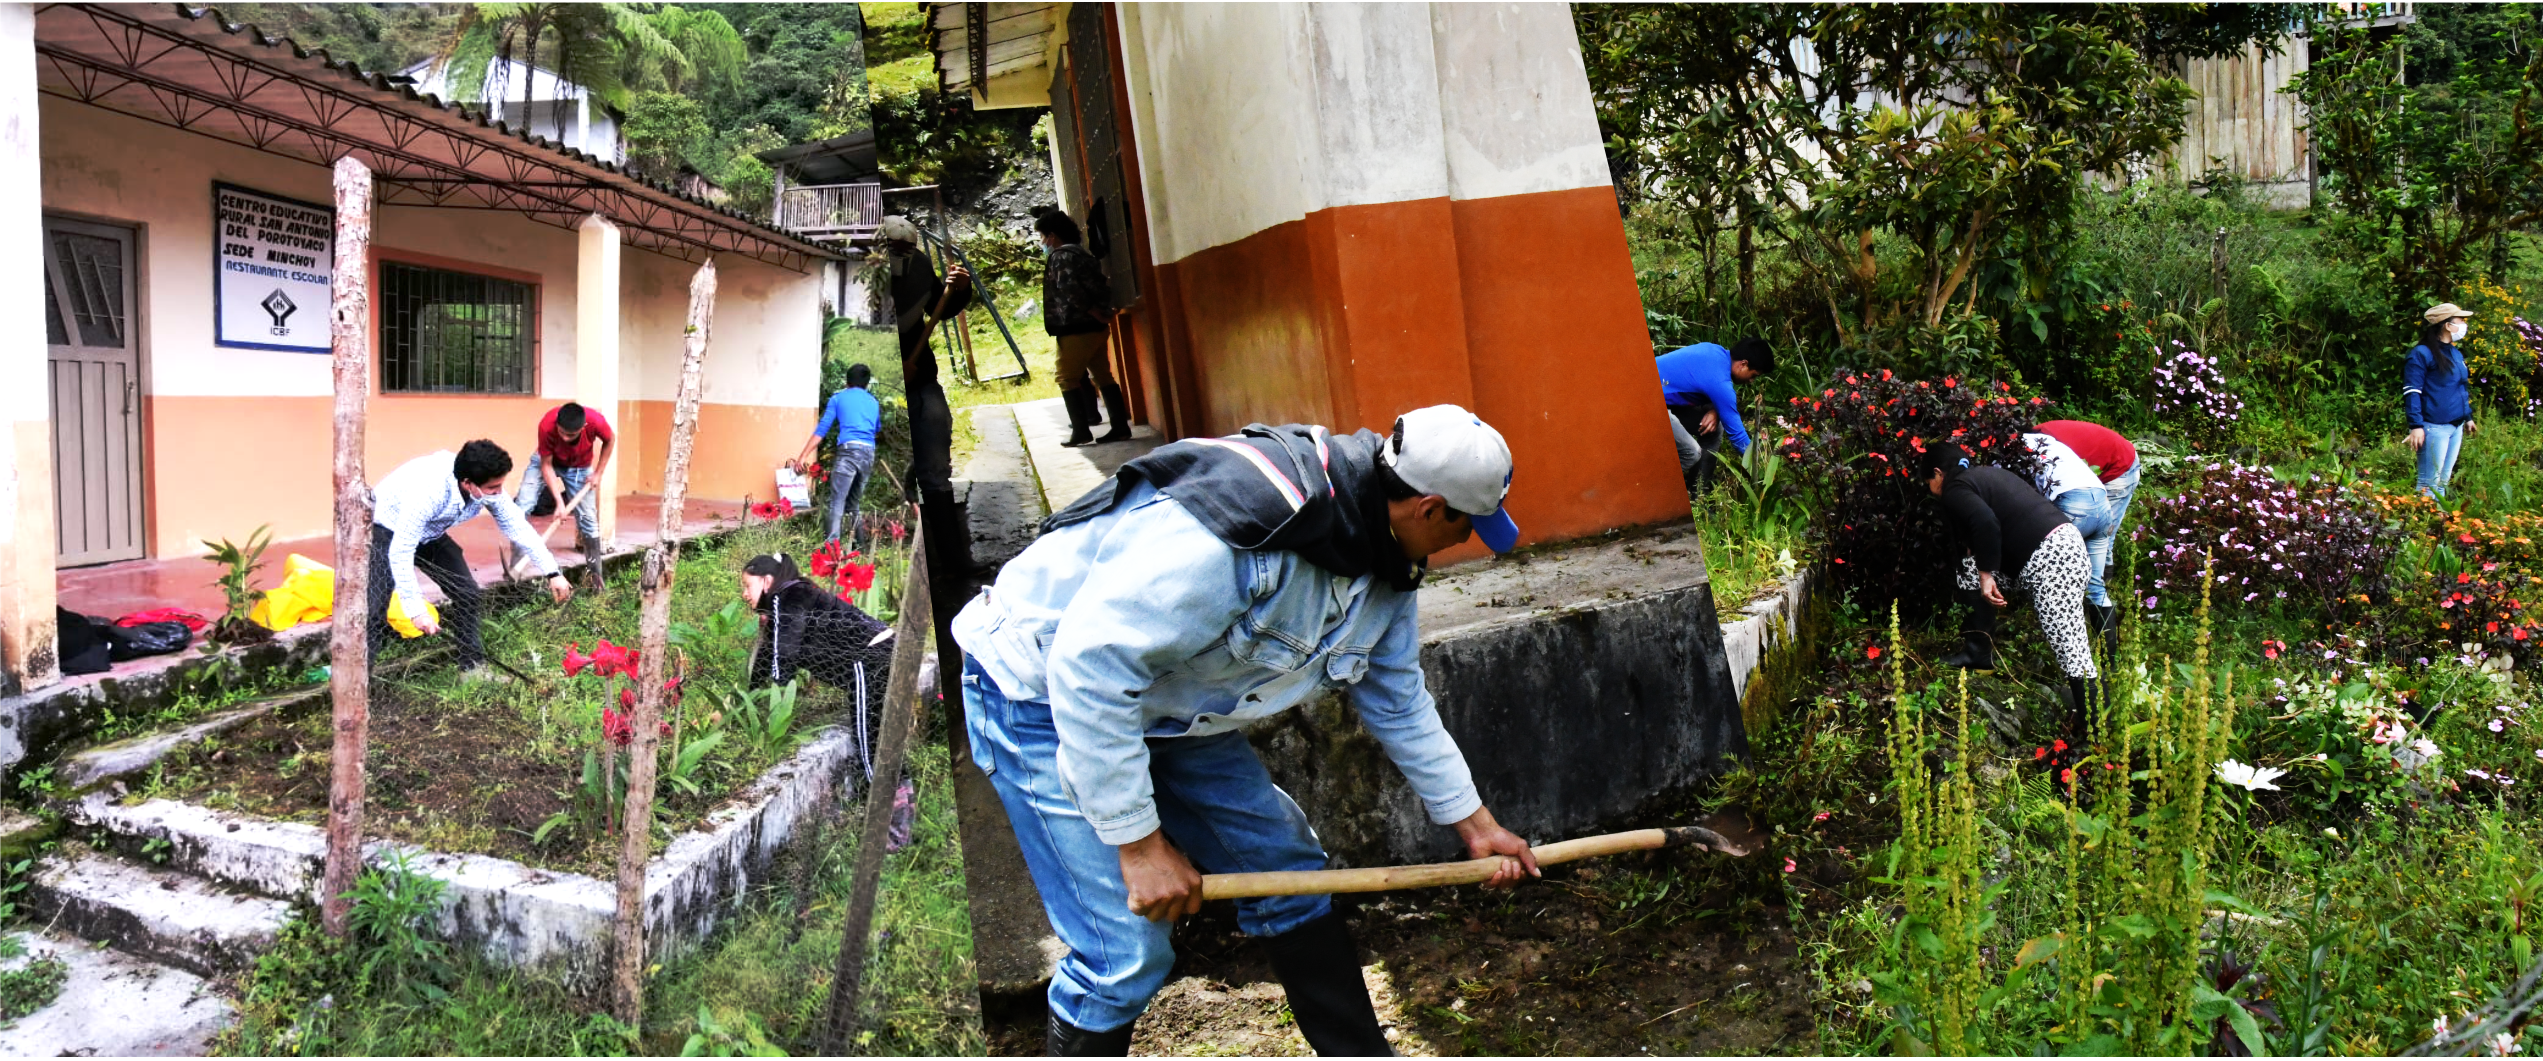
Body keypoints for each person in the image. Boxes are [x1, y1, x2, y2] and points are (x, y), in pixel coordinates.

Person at [952, 404, 1542, 1056]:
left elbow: (1397, 700)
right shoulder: (1245, 529)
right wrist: (1140, 844)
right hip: (1039, 691)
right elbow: (1088, 668)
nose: (1467, 540)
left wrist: (1474, 822)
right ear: (1430, 507)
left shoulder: (1383, 556)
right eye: (1468, 524)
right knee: (1124, 954)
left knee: (1288, 871)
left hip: (1165, 704)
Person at [1922, 445, 2099, 749]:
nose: (1931, 490)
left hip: (2053, 560)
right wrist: (1978, 561)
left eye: (1928, 482)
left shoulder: (1954, 489)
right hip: (2061, 546)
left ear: (1938, 474)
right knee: (1968, 567)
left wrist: (1987, 573)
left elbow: (1987, 522)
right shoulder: (1983, 476)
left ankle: (2098, 734)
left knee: (2072, 652)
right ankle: (1978, 655)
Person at [371, 440, 572, 678]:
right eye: (493, 487)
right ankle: (357, 686)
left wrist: (553, 573)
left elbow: (519, 528)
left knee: (467, 593)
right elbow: (401, 550)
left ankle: (471, 669)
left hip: (429, 532)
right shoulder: (429, 492)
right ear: (467, 483)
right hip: (385, 529)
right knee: (372, 609)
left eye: (501, 485)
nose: (499, 492)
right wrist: (415, 610)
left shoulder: (486, 485)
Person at [878, 215, 971, 509]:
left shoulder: (917, 267)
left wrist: (959, 289)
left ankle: (942, 518)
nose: (901, 254)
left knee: (935, 429)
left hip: (920, 379)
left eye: (907, 247)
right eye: (894, 247)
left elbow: (938, 308)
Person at [2034, 419, 2140, 634]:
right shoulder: (2037, 436)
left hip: (2118, 468)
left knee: (2100, 537)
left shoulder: (2036, 445)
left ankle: (2101, 586)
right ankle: (2097, 592)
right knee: (2096, 537)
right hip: (2099, 467)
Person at [1037, 209, 1132, 448]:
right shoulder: (1082, 254)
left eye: (1042, 236)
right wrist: (1100, 314)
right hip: (1095, 327)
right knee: (1102, 374)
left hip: (1077, 327)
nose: (1042, 242)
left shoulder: (1060, 257)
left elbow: (1070, 292)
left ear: (1052, 236)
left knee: (1066, 376)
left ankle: (1080, 430)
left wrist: (1092, 311)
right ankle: (1120, 427)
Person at [2020, 431, 2115, 632]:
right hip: (2102, 504)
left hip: (2072, 504)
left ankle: (2054, 643)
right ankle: (2110, 660)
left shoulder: (2016, 448)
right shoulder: (2052, 443)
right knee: (2096, 587)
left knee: (2053, 578)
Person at [1654, 337, 1774, 491]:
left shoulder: (1714, 351)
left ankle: (1698, 495)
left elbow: (1697, 384)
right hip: (1647, 403)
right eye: (1753, 375)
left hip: (1664, 397)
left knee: (1715, 429)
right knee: (1691, 453)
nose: (1751, 381)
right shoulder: (1720, 383)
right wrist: (1764, 467)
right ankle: (1643, 485)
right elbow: (1738, 437)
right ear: (1743, 364)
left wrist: (1715, 410)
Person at [792, 364, 882, 548]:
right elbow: (876, 428)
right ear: (867, 384)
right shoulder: (873, 402)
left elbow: (822, 429)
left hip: (848, 451)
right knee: (854, 502)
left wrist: (802, 457)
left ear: (846, 381)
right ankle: (860, 546)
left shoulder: (838, 398)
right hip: (868, 452)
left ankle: (832, 550)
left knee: (837, 502)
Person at [515, 401, 614, 558]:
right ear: (557, 424)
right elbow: (546, 465)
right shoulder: (547, 425)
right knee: (522, 506)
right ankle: (516, 566)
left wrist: (598, 474)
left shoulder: (596, 422)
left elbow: (610, 440)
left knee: (588, 518)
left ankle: (595, 575)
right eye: (561, 432)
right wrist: (560, 503)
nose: (565, 438)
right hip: (547, 460)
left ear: (584, 427)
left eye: (571, 435)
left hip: (579, 466)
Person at [2404, 302, 2477, 498]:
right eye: (2460, 320)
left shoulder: (2454, 351)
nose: (2463, 324)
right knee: (2429, 483)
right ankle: (2418, 524)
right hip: (2434, 427)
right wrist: (2416, 425)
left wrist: (2468, 417)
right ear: (2447, 324)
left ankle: (2436, 526)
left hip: (2456, 426)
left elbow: (2459, 386)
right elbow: (2412, 391)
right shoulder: (2421, 354)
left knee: (2442, 482)